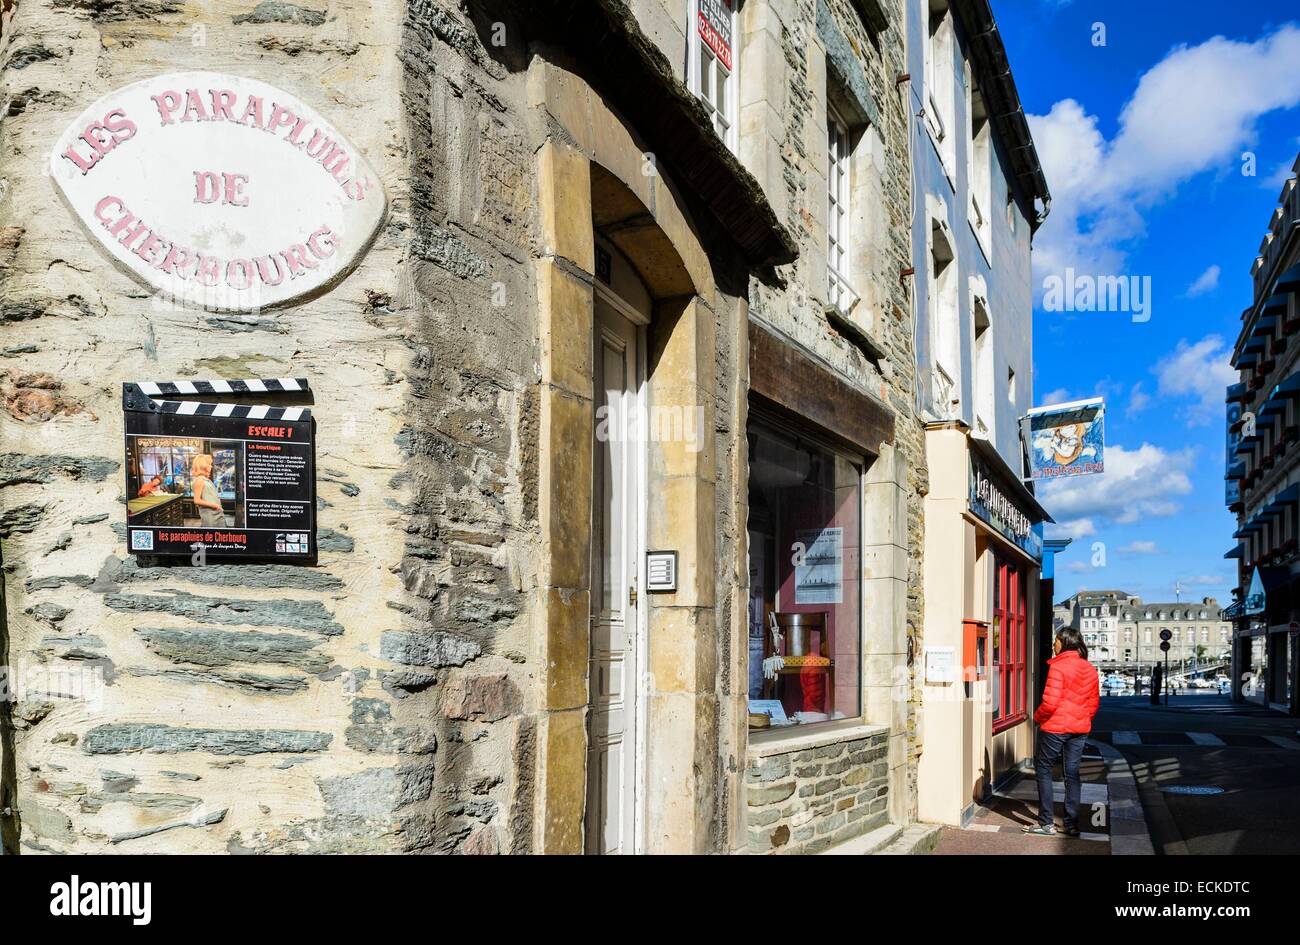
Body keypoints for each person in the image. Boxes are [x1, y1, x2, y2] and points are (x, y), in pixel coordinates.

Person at [1024, 626, 1099, 837]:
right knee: (1072, 774)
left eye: (1056, 640)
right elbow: (1093, 703)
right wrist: (1083, 718)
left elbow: (1050, 702)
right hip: (1080, 728)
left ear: (1064, 642)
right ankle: (1071, 824)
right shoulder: (1089, 668)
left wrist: (1037, 718)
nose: (1054, 644)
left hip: (1056, 727)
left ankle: (1046, 822)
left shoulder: (1058, 667)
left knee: (1044, 769)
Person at [189, 454, 227, 527]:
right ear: (203, 466)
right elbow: (197, 500)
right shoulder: (199, 480)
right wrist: (215, 505)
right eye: (209, 464)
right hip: (210, 516)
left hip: (216, 514)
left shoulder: (205, 479)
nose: (211, 466)